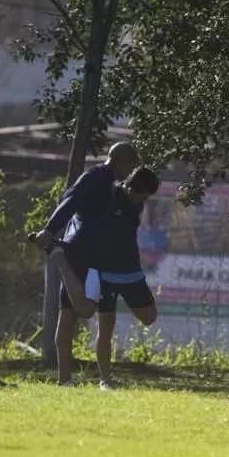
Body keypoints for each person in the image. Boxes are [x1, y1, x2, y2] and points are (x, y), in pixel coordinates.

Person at [31, 142, 140, 385]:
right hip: (82, 252)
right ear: (122, 162)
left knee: (67, 316)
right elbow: (70, 201)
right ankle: (58, 257)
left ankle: (64, 381)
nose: (130, 172)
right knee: (86, 309)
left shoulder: (109, 182)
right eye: (131, 166)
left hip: (86, 252)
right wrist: (49, 230)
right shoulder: (96, 176)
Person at [95, 167, 161, 390]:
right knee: (106, 326)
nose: (144, 200)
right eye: (143, 195)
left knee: (149, 317)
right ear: (131, 189)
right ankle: (105, 379)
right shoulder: (108, 196)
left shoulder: (138, 203)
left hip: (131, 271)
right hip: (105, 273)